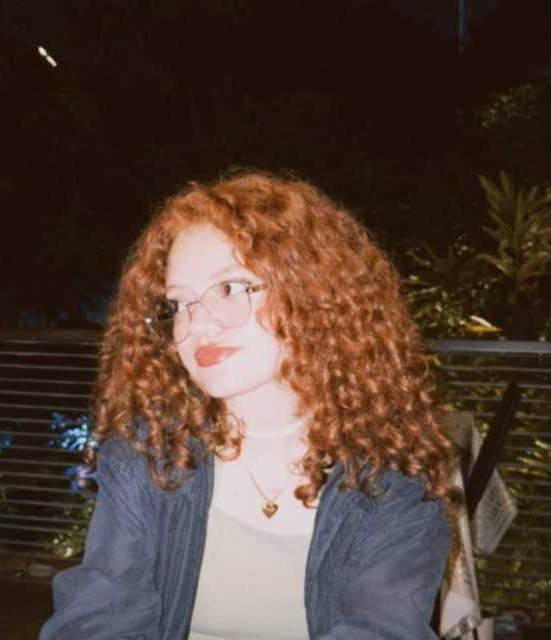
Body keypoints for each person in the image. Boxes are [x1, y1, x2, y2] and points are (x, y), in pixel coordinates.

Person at [40, 169, 459, 640]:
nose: (198, 325)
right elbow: (97, 618)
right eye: (178, 304)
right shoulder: (151, 453)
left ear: (312, 292)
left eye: (231, 288)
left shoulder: (394, 477)